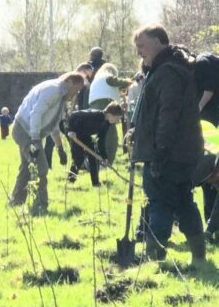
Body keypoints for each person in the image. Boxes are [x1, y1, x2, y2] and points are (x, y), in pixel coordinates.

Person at [129, 24, 206, 265]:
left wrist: (160, 152)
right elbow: (155, 113)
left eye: (142, 45)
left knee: (159, 202)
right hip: (179, 152)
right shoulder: (165, 69)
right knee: (183, 201)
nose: (139, 51)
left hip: (169, 153)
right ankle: (198, 257)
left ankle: (154, 259)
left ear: (159, 41)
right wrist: (136, 131)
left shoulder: (168, 72)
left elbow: (168, 114)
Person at [9, 72, 87, 215]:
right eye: (77, 88)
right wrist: (34, 140)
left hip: (30, 132)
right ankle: (41, 204)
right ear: (69, 82)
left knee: (27, 167)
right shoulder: (53, 90)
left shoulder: (61, 97)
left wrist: (60, 148)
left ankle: (16, 201)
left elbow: (53, 125)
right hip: (24, 131)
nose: (77, 92)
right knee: (41, 167)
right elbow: (36, 113)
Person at [66, 102, 125, 187]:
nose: (117, 121)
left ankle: (96, 183)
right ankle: (70, 181)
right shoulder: (94, 114)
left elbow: (101, 141)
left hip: (85, 135)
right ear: (109, 114)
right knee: (79, 158)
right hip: (74, 133)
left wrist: (104, 157)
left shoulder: (107, 124)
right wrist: (71, 130)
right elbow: (74, 115)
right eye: (116, 118)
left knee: (93, 157)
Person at [86, 63, 132, 165]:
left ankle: (96, 160)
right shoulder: (107, 76)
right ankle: (108, 161)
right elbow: (116, 81)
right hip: (105, 103)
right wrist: (129, 82)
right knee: (111, 135)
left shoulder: (97, 79)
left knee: (101, 133)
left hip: (94, 105)